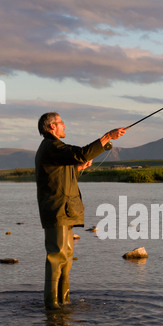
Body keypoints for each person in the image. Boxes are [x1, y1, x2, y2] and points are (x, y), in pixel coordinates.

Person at [35, 112, 126, 309]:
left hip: (65, 211)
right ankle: (52, 304)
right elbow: (82, 152)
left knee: (66, 257)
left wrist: (79, 167)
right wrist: (108, 136)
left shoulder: (55, 149)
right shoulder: (52, 146)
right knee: (56, 256)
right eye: (61, 123)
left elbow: (64, 171)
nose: (64, 126)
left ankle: (63, 301)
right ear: (52, 127)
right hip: (57, 210)